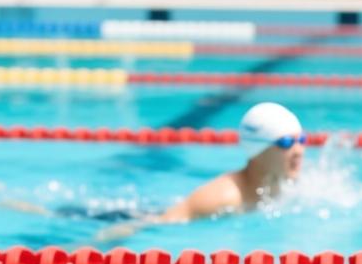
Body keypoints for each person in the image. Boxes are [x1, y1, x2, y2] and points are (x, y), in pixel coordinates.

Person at [90, 101, 306, 241]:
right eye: (286, 142)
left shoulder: (287, 182)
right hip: (131, 217)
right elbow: (156, 224)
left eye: (301, 139)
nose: (298, 150)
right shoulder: (222, 198)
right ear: (257, 149)